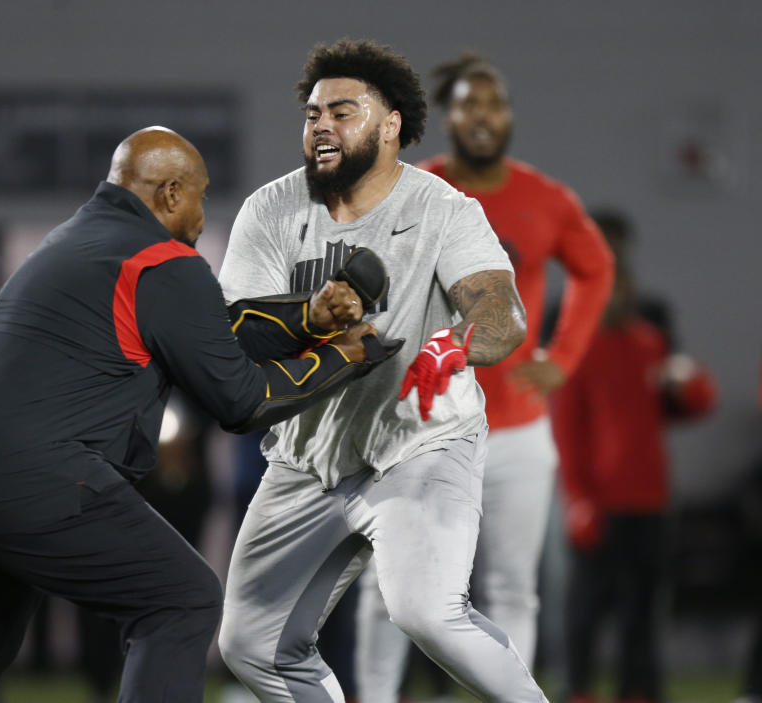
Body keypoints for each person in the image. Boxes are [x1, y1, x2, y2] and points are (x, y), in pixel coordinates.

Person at [0, 126, 398, 703]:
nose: (203, 215)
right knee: (180, 600)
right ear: (172, 193)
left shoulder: (79, 239)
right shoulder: (164, 259)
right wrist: (345, 356)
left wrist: (310, 316)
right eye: (200, 196)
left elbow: (206, 337)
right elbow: (242, 399)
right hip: (14, 466)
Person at [217, 39, 548, 702]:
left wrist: (453, 345)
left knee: (425, 610)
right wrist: (311, 317)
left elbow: (499, 310)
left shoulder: (444, 208)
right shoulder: (271, 209)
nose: (322, 127)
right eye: (313, 114)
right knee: (249, 643)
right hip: (309, 457)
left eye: (343, 111)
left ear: (391, 124)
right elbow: (240, 330)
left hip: (421, 442)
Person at [354, 51, 615, 700]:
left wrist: (564, 356)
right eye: (469, 103)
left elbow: (596, 267)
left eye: (494, 103)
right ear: (448, 116)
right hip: (422, 423)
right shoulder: (413, 189)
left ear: (508, 116)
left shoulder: (545, 199)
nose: (482, 115)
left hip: (517, 431)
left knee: (511, 587)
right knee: (387, 581)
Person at [552, 211, 715, 703]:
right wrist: (578, 499)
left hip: (650, 499)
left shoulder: (651, 343)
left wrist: (693, 384)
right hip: (602, 501)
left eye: (622, 288)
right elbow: (567, 432)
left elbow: (685, 409)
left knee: (642, 609)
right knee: (585, 608)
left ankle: (638, 691)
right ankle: (578, 689)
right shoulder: (577, 349)